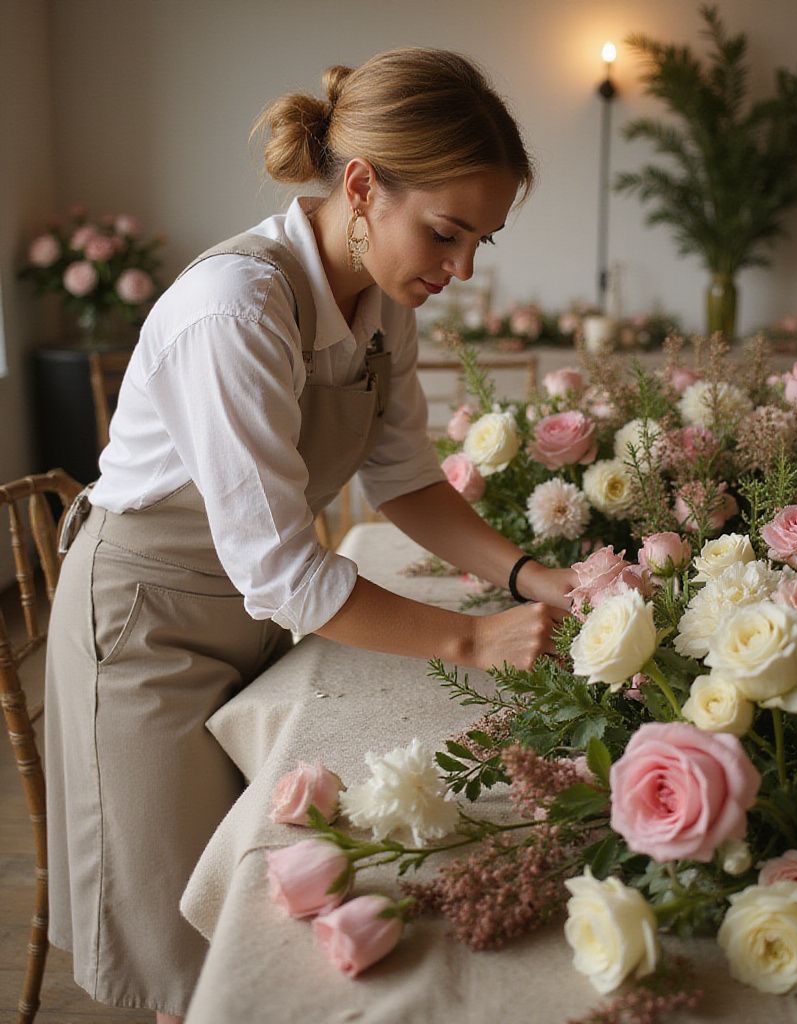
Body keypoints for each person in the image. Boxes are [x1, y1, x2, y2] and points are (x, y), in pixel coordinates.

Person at [44, 48, 574, 1023]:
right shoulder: (235, 311)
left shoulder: (382, 302)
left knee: (257, 906)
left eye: (480, 241)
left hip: (250, 616)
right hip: (144, 623)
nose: (460, 270)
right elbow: (288, 573)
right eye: (446, 232)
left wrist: (534, 577)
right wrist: (471, 639)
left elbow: (405, 481)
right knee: (186, 957)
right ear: (362, 187)